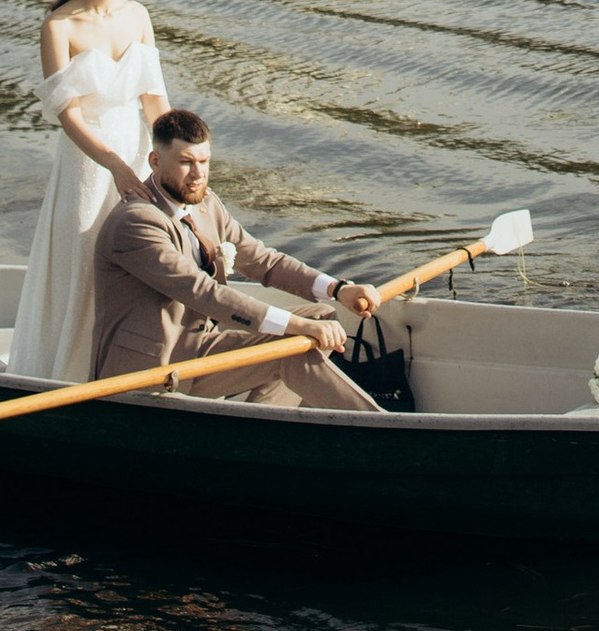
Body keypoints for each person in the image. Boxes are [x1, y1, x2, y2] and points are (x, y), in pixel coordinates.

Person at [90, 109, 383, 412]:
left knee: (321, 315)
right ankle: (383, 430)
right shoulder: (136, 223)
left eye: (204, 162)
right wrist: (296, 325)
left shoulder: (206, 204)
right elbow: (202, 292)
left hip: (198, 347)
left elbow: (263, 261)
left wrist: (338, 289)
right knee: (290, 347)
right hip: (154, 369)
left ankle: (263, 424)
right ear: (155, 161)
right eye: (186, 162)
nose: (198, 174)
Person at [7, 0, 170, 383]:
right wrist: (115, 166)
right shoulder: (59, 27)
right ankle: (72, 377)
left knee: (143, 260)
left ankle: (133, 368)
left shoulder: (138, 16)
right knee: (83, 268)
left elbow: (154, 101)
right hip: (89, 164)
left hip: (138, 154)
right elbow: (68, 116)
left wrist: (170, 159)